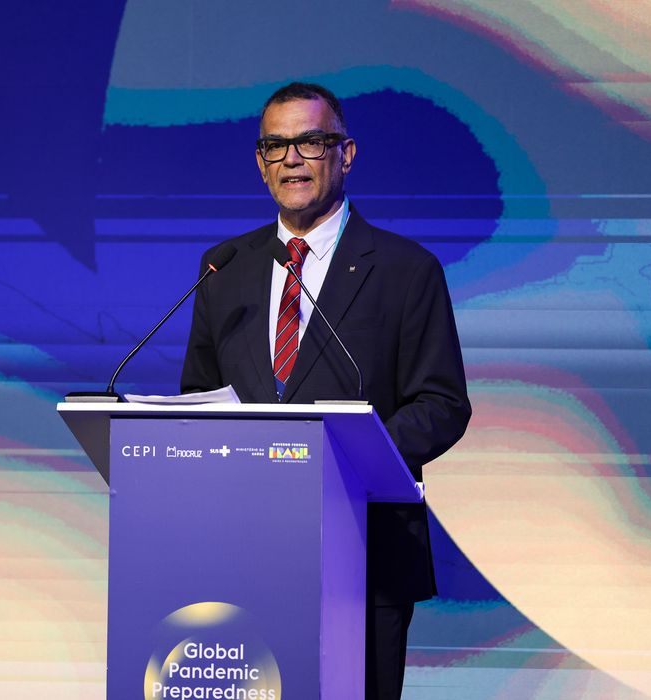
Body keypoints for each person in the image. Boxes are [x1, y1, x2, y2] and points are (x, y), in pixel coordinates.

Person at [181, 82, 472, 699]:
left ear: (346, 154)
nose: (292, 158)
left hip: (364, 555)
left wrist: (345, 462)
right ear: (260, 164)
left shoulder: (405, 270)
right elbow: (200, 400)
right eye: (276, 145)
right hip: (245, 552)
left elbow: (442, 405)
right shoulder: (223, 268)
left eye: (310, 141)